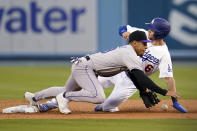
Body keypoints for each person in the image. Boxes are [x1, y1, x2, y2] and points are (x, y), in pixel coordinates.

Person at [37, 18, 187, 113]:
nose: (149, 29)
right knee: (86, 88)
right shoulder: (141, 34)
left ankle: (105, 107)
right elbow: (123, 27)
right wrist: (124, 33)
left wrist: (175, 101)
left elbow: (169, 78)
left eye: (152, 29)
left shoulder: (164, 54)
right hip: (117, 70)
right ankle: (51, 104)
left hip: (131, 81)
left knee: (107, 106)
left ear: (159, 34)